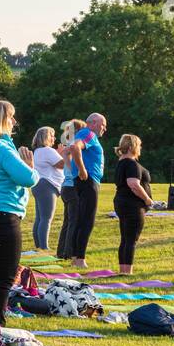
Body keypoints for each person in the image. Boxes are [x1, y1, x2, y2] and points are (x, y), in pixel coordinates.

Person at [0, 100, 37, 325]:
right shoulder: (1, 148)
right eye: (10, 117)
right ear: (1, 120)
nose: (14, 122)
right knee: (5, 277)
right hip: (2, 216)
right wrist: (31, 166)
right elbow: (27, 178)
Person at [68, 112, 107, 268]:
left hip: (85, 180)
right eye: (103, 124)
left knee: (81, 218)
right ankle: (80, 259)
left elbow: (68, 152)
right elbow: (74, 147)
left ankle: (75, 257)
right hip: (88, 180)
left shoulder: (87, 134)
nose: (105, 128)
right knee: (87, 220)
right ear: (94, 122)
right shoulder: (88, 133)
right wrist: (82, 169)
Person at [112, 134, 154, 275]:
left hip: (122, 202)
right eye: (139, 145)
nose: (140, 148)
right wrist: (147, 199)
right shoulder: (131, 163)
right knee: (131, 239)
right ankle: (127, 270)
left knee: (125, 238)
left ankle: (123, 269)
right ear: (131, 147)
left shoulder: (121, 162)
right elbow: (133, 184)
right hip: (132, 205)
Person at [54, 118, 85, 260]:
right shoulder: (73, 147)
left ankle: (61, 251)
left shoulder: (68, 145)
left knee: (68, 221)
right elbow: (72, 167)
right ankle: (68, 252)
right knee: (74, 221)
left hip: (66, 187)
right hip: (72, 187)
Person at [30, 127, 64, 251]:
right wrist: (65, 153)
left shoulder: (38, 150)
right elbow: (62, 165)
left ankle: (39, 246)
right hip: (47, 186)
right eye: (52, 135)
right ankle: (44, 247)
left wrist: (59, 154)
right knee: (46, 218)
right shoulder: (48, 150)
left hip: (39, 185)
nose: (54, 138)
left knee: (40, 218)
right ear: (45, 137)